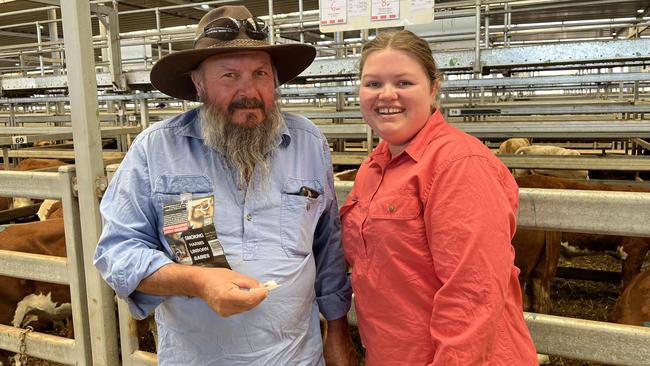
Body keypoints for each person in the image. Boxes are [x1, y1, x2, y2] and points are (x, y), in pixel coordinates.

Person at [94, 5, 356, 365]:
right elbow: (117, 253)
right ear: (198, 84)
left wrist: (338, 331)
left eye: (260, 73)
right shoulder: (156, 150)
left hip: (297, 357)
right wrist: (197, 282)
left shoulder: (308, 143)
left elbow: (328, 247)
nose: (249, 91)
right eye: (230, 75)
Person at [340, 30, 538, 365]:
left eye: (403, 83)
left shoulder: (459, 165)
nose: (386, 95)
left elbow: (473, 295)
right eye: (373, 83)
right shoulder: (373, 167)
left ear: (433, 89)